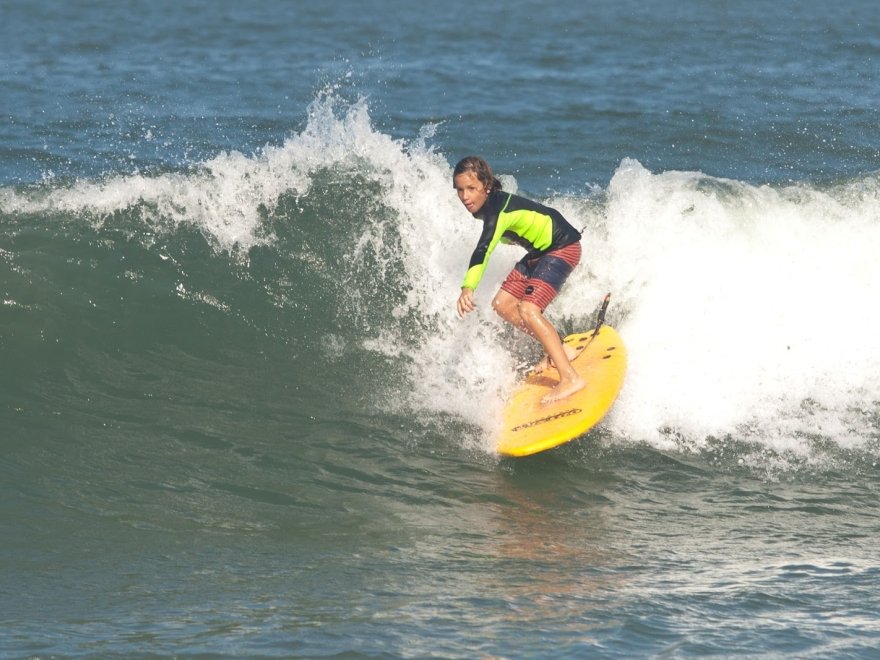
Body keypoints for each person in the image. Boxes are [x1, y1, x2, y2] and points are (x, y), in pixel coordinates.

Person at [452, 156, 585, 404]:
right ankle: (560, 349)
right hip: (539, 253)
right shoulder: (486, 207)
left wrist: (467, 287)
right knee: (502, 304)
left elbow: (483, 249)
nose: (465, 196)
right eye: (460, 190)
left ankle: (570, 378)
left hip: (562, 247)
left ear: (487, 186)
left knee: (528, 309)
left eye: (471, 188)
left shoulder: (496, 211)